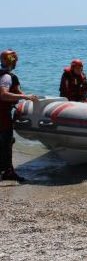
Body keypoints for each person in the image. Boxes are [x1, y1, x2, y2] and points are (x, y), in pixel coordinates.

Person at [0, 50, 38, 182]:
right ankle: (8, 172)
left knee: (6, 142)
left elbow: (16, 92)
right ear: (11, 60)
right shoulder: (7, 77)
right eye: (14, 60)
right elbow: (3, 95)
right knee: (6, 142)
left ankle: (5, 170)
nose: (16, 62)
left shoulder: (5, 75)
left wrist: (28, 98)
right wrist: (25, 96)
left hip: (3, 114)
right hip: (2, 117)